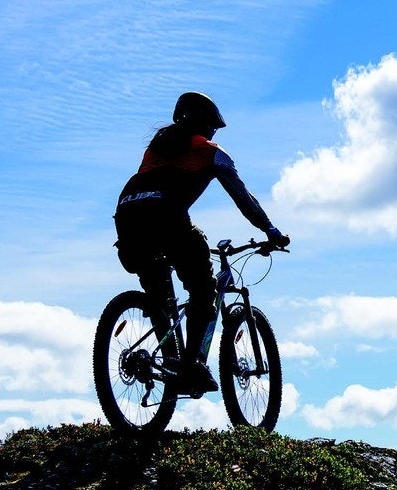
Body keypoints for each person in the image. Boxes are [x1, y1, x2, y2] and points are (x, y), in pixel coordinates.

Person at [114, 92, 289, 397]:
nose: (213, 133)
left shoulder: (155, 149)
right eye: (212, 127)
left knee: (159, 293)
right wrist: (269, 228)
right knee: (203, 286)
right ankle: (193, 363)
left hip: (128, 219)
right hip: (165, 218)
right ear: (204, 125)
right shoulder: (209, 151)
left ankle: (168, 361)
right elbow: (243, 197)